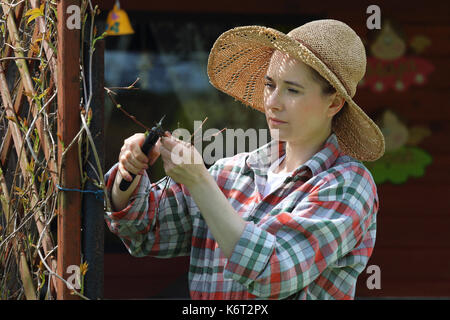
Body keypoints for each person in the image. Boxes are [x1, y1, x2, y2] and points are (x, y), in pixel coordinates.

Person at [104, 19, 385, 300]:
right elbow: (142, 230)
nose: (273, 101)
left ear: (333, 103)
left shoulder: (348, 184)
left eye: (293, 90)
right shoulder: (231, 172)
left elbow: (273, 273)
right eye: (270, 84)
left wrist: (199, 181)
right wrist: (130, 170)